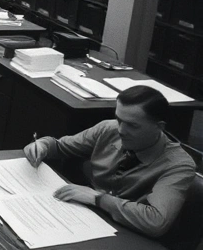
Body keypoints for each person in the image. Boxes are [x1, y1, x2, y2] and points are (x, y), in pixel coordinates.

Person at [24, 86, 195, 237]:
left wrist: (98, 199)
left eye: (132, 125)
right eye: (119, 120)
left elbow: (156, 222)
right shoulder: (108, 129)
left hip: (129, 235)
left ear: (159, 127)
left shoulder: (178, 165)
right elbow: (60, 147)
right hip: (85, 220)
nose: (121, 130)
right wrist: (43, 145)